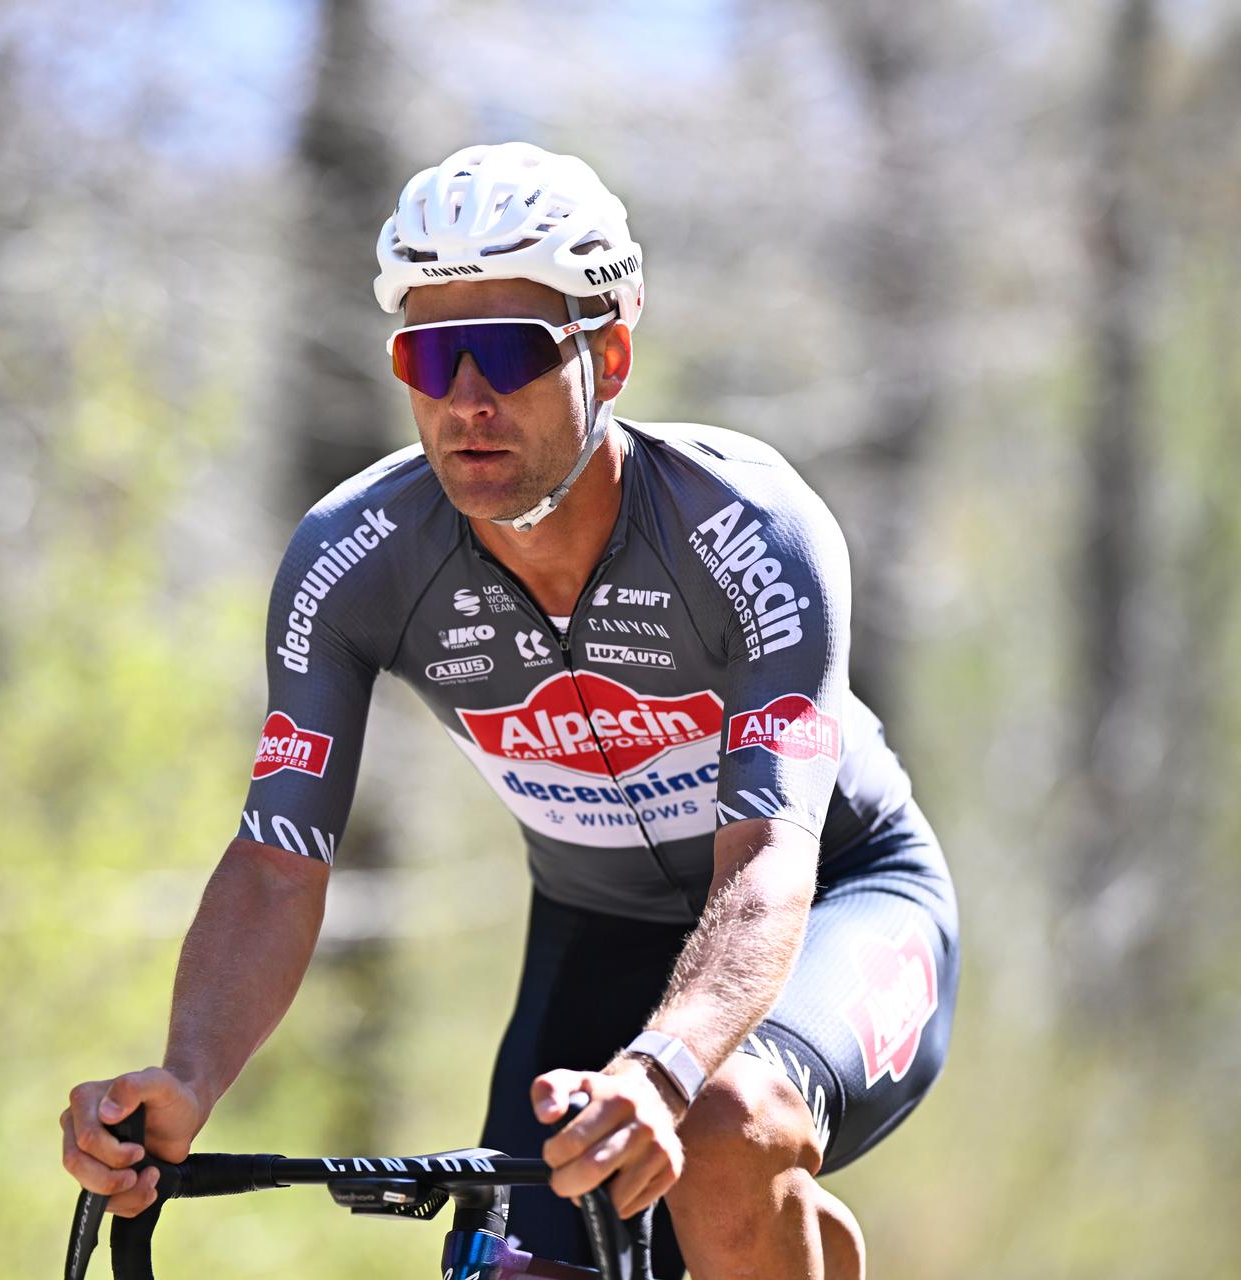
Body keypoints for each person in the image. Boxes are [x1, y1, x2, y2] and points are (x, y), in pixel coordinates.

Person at [60, 141, 958, 1280]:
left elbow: (768, 862)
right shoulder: (354, 557)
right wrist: (187, 1075)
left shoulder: (749, 530)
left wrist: (666, 1067)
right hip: (594, 933)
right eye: (432, 356)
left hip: (835, 893)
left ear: (613, 353)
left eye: (510, 353)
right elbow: (279, 861)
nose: (467, 400)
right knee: (516, 1268)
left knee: (726, 1123)